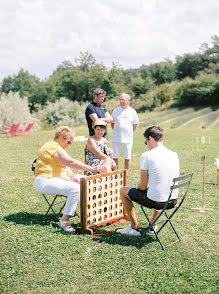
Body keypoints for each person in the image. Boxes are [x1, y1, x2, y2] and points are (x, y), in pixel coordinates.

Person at [34, 126, 104, 233]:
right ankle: (64, 220)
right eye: (69, 142)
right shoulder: (52, 146)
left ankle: (88, 215)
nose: (69, 145)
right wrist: (92, 168)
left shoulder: (57, 147)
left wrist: (72, 176)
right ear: (61, 138)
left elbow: (65, 166)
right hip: (45, 180)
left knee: (88, 181)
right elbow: (70, 162)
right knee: (75, 188)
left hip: (59, 177)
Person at [117, 126, 180, 236]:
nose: (147, 145)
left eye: (146, 142)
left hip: (157, 202)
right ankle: (152, 225)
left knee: (123, 190)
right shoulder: (174, 154)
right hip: (172, 201)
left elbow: (143, 186)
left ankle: (134, 228)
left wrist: (139, 189)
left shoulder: (146, 156)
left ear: (150, 138)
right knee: (159, 190)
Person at [111, 93, 139, 170]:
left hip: (127, 138)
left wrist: (128, 131)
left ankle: (125, 174)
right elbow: (112, 123)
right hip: (116, 138)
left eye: (123, 100)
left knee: (127, 157)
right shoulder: (116, 110)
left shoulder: (132, 111)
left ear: (128, 100)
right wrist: (118, 131)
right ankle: (115, 174)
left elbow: (135, 124)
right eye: (120, 99)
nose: (121, 101)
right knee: (115, 156)